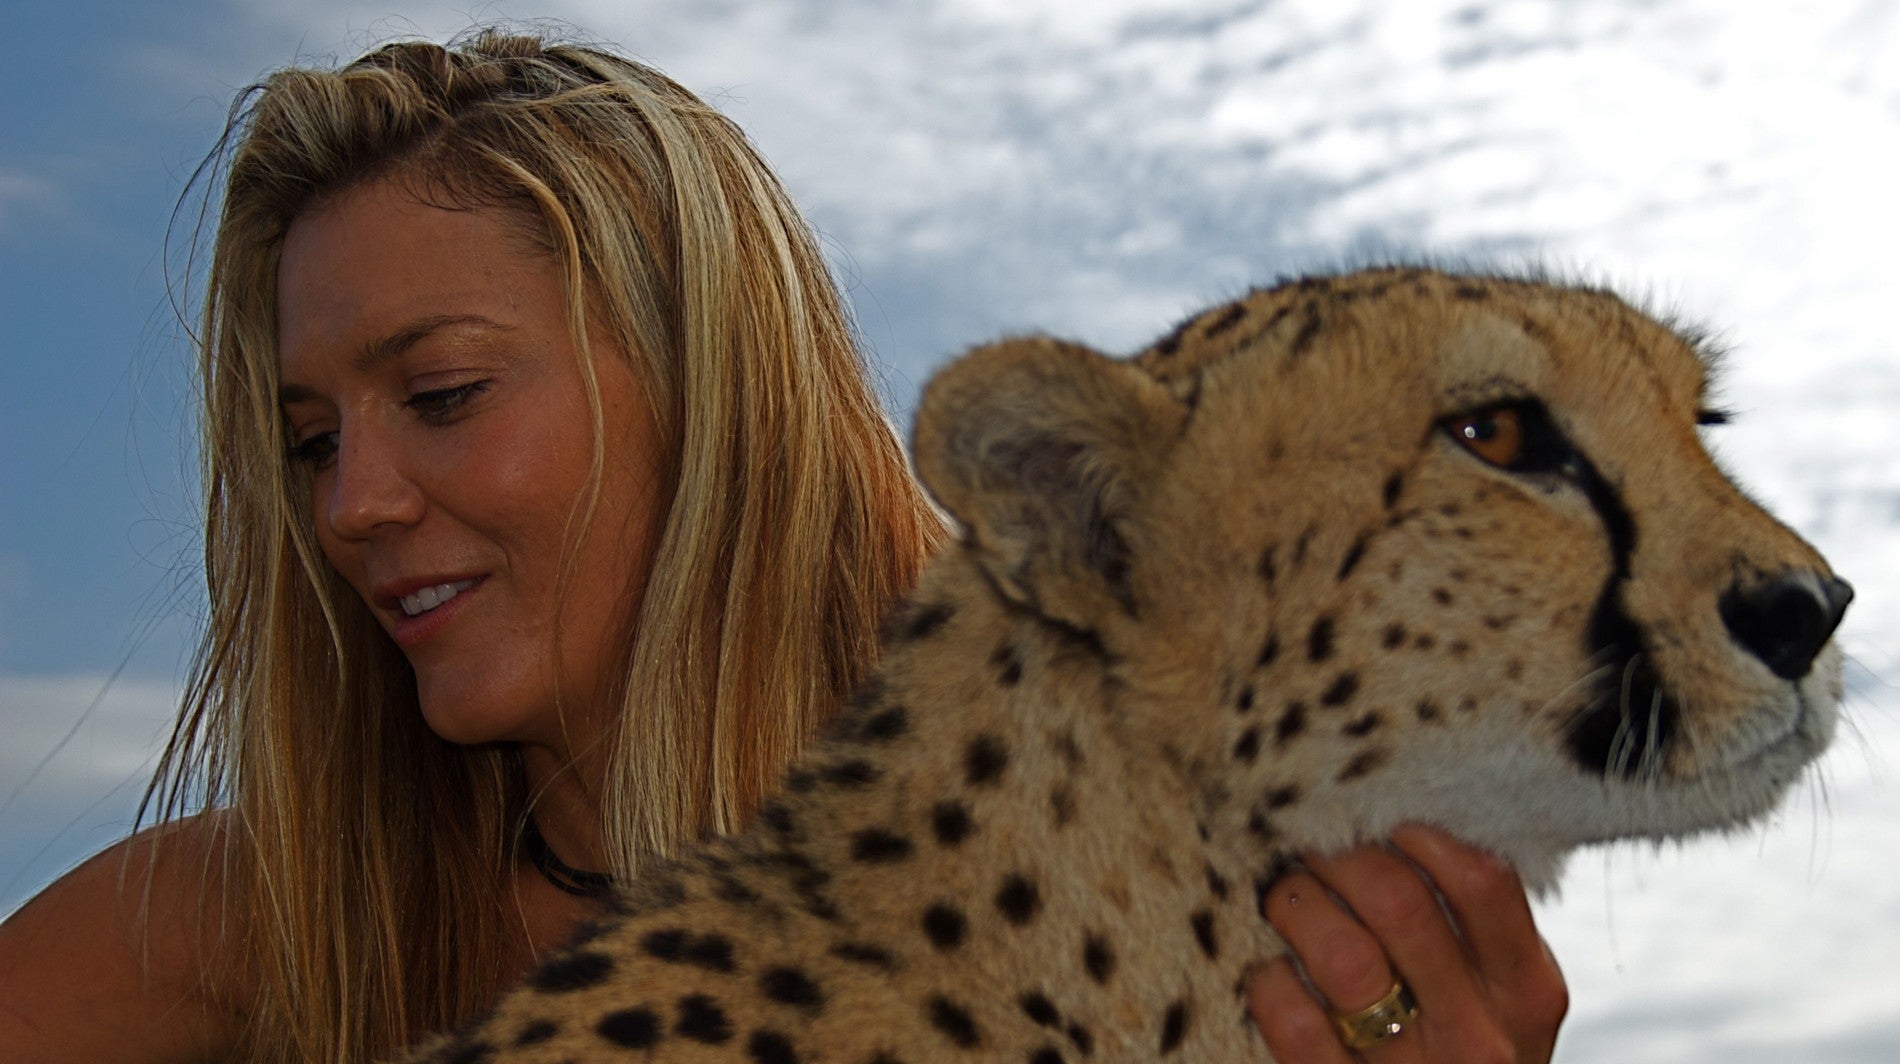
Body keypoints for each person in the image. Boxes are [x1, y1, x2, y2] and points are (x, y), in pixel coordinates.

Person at [0, 29, 1567, 1062]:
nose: (353, 505)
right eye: (311, 441)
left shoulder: (1190, 853)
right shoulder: (261, 916)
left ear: (716, 391)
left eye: (442, 393)